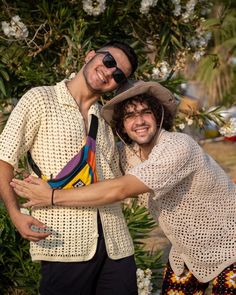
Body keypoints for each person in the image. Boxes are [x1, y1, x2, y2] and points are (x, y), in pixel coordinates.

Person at [12, 80, 236, 295]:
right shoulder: (127, 156)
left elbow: (120, 189)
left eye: (145, 112)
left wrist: (52, 196)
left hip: (230, 246)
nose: (138, 121)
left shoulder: (178, 145)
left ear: (158, 116)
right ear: (122, 125)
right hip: (186, 254)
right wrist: (39, 178)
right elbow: (92, 171)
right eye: (129, 115)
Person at [0, 40, 139, 295]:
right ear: (90, 55)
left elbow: (122, 178)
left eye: (118, 74)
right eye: (108, 61)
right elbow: (4, 158)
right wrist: (15, 214)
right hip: (62, 242)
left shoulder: (108, 118)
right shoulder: (40, 99)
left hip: (116, 244)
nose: (109, 72)